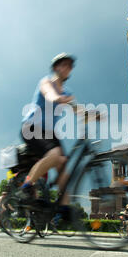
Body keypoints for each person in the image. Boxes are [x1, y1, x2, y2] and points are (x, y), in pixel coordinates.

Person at [18, 53, 89, 209]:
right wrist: (62, 99)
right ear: (56, 67)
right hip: (31, 128)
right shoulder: (46, 82)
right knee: (56, 154)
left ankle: (64, 207)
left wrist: (94, 115)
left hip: (50, 133)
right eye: (64, 64)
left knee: (64, 165)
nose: (68, 68)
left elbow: (79, 111)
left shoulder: (66, 92)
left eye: (70, 66)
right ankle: (27, 185)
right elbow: (51, 96)